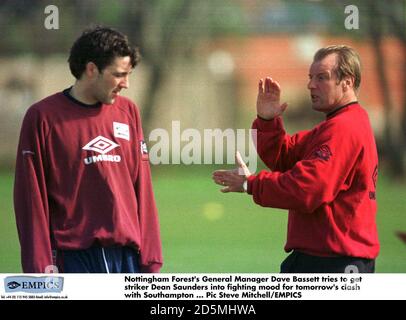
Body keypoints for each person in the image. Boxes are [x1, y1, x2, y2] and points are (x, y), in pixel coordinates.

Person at [213, 45, 379, 273]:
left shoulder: (344, 128)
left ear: (347, 82)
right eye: (311, 77)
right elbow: (285, 156)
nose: (311, 85)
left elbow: (307, 189)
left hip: (332, 262)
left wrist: (249, 184)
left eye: (322, 78)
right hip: (325, 257)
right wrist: (267, 120)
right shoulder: (337, 125)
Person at [14, 26, 163, 273]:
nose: (126, 84)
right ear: (92, 69)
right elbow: (31, 198)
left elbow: (143, 188)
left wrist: (151, 258)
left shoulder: (129, 113)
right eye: (118, 74)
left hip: (127, 259)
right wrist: (39, 267)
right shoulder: (43, 117)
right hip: (72, 260)